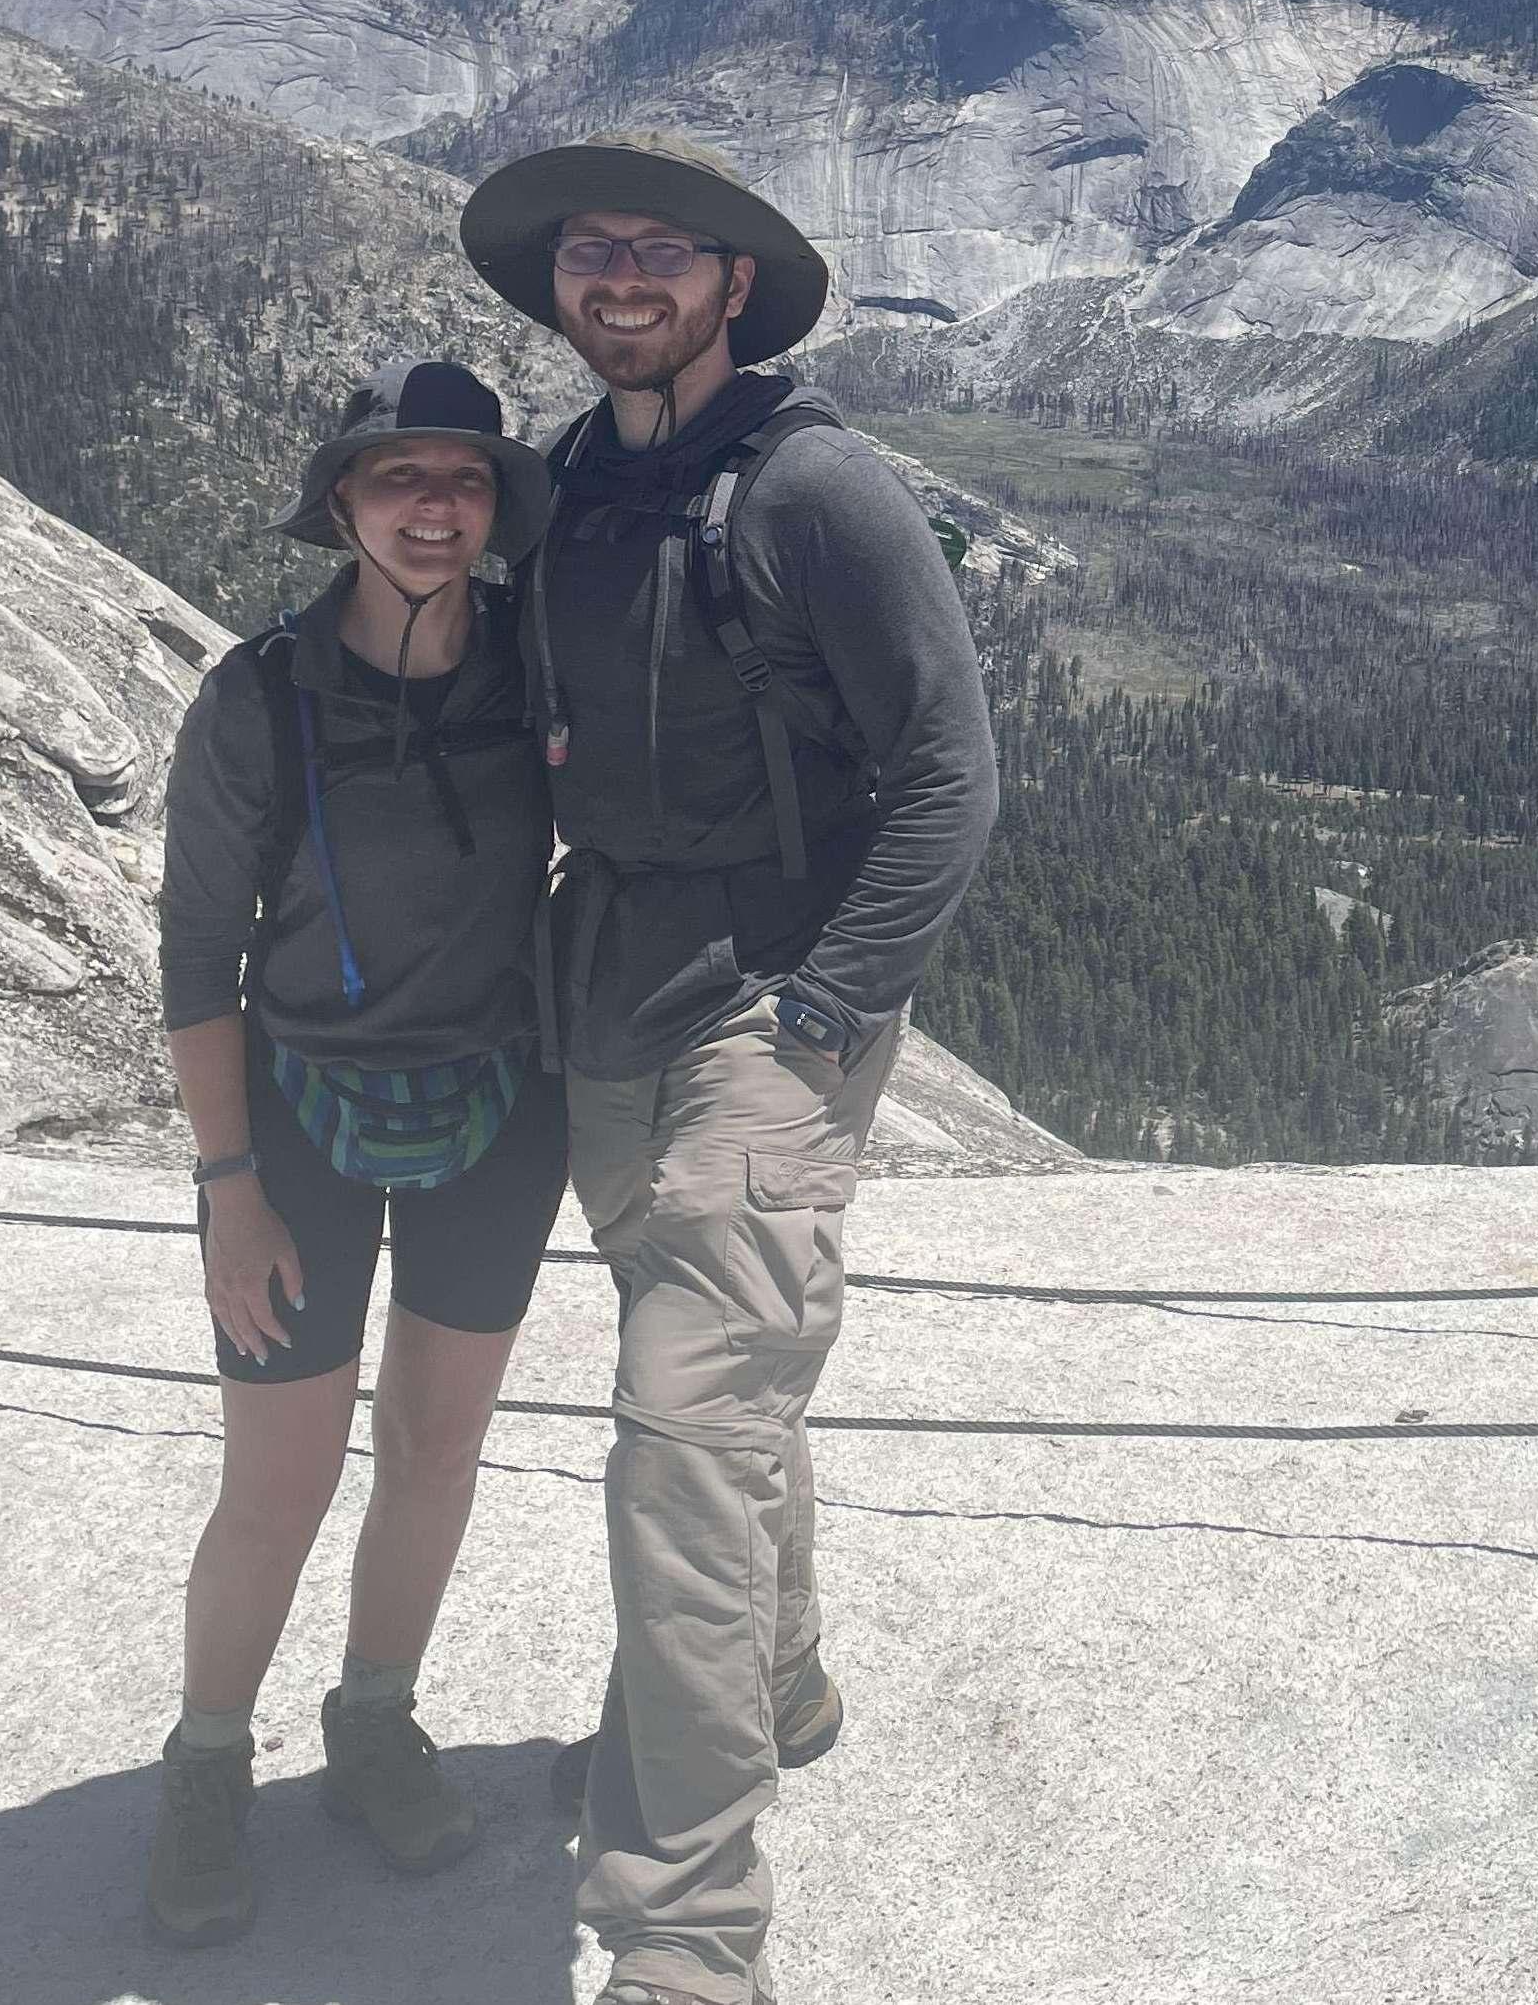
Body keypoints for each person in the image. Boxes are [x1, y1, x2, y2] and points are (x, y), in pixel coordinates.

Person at [456, 133, 999, 2005]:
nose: (619, 279)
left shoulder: (817, 487)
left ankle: (685, 1934)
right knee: (723, 1400)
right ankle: (766, 1679)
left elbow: (948, 774)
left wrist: (834, 1008)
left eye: (659, 253)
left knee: (676, 1435)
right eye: (591, 253)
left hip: (771, 1000)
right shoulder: (565, 487)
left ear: (730, 285)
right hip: (610, 984)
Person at [144, 359, 567, 1948]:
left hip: (497, 1109)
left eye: (462, 480)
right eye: (400, 480)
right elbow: (199, 954)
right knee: (281, 1482)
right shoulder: (261, 696)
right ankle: (206, 1763)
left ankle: (372, 1720)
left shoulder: (537, 668)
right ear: (342, 507)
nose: (435, 508)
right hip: (300, 1120)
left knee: (439, 1445)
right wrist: (224, 1189)